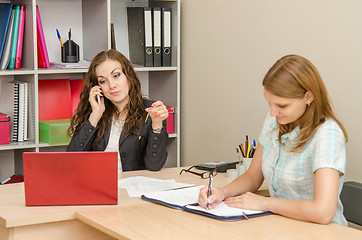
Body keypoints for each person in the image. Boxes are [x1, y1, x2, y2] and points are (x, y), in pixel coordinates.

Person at [198, 54, 348, 225]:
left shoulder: (327, 133)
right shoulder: (274, 120)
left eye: (282, 105)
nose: (272, 112)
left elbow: (323, 212)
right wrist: (222, 193)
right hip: (282, 224)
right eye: (269, 103)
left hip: (319, 232)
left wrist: (264, 203)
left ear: (309, 97)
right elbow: (254, 176)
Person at [67, 49, 169, 172]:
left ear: (128, 75)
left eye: (116, 75)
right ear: (97, 87)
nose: (111, 85)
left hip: (132, 187)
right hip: (96, 185)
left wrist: (157, 125)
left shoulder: (151, 111)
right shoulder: (95, 110)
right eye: (103, 81)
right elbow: (71, 159)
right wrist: (95, 115)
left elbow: (154, 165)